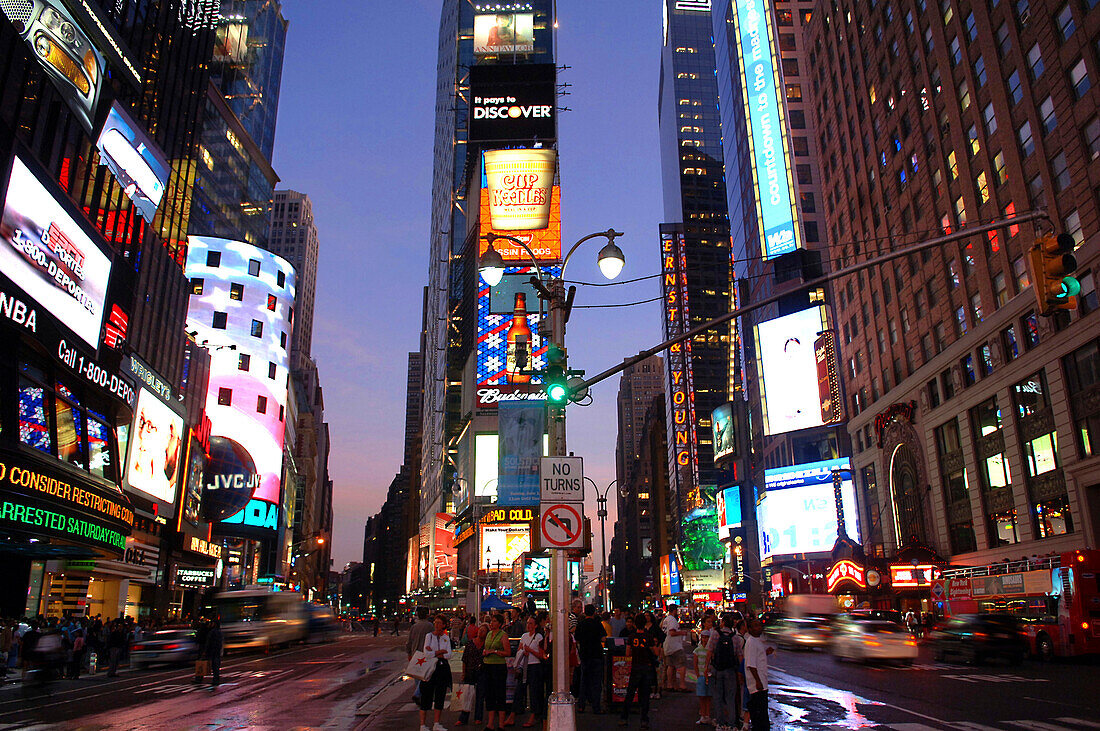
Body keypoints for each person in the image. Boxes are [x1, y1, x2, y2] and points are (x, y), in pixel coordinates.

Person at [619, 612, 658, 728]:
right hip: (646, 667)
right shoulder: (648, 637)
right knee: (645, 695)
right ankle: (644, 719)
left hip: (635, 667)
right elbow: (655, 652)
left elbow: (627, 653)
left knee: (630, 693)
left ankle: (624, 717)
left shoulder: (632, 637)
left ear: (635, 624)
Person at [418, 615, 453, 731]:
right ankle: (423, 724)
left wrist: (436, 652)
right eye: (435, 623)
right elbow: (426, 654)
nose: (437, 625)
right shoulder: (429, 636)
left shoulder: (446, 637)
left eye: (439, 623)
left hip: (442, 668)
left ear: (444, 625)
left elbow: (448, 654)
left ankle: (436, 723)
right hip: (430, 669)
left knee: (440, 695)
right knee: (426, 695)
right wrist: (440, 652)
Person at [709, 613, 743, 731]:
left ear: (722, 622)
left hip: (717, 669)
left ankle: (720, 723)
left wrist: (706, 669)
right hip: (730, 670)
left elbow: (710, 651)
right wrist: (741, 671)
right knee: (730, 697)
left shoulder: (715, 634)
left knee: (718, 697)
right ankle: (732, 724)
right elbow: (739, 655)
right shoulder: (736, 637)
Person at [575, 604, 607, 714]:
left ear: (585, 612)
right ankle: (596, 707)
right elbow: (603, 637)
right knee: (596, 682)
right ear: (594, 612)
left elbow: (577, 639)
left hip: (585, 655)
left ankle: (581, 705)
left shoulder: (581, 624)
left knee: (584, 681)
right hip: (596, 654)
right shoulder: (597, 624)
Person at [516, 616, 547, 727]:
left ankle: (534, 714)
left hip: (535, 666)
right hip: (525, 665)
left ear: (536, 625)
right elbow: (520, 649)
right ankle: (516, 712)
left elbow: (541, 655)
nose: (528, 625)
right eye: (527, 623)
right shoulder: (524, 636)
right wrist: (523, 652)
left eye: (530, 623)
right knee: (520, 689)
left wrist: (530, 651)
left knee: (534, 692)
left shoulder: (538, 637)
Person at [482, 614, 511, 731]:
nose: (492, 623)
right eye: (491, 621)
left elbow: (507, 652)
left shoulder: (503, 635)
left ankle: (501, 724)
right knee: (489, 694)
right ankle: (490, 723)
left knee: (499, 694)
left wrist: (494, 651)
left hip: (498, 667)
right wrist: (486, 652)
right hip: (487, 665)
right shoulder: (489, 634)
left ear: (499, 623)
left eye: (494, 621)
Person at [744, 619, 772, 731]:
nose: (759, 627)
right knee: (759, 716)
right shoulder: (751, 642)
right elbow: (751, 664)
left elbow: (757, 658)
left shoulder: (757, 641)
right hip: (757, 686)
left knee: (762, 714)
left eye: (759, 625)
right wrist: (758, 681)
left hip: (762, 683)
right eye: (755, 626)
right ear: (750, 629)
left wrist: (765, 653)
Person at [457, 622, 486, 727]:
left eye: (483, 631)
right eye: (480, 630)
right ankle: (463, 717)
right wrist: (463, 672)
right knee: (467, 695)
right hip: (470, 671)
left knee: (480, 696)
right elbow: (464, 659)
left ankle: (478, 717)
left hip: (482, 672)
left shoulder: (486, 644)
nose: (480, 632)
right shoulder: (470, 643)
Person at [660, 604, 690, 692]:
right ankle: (682, 685)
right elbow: (672, 632)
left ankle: (670, 685)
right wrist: (682, 632)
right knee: (682, 664)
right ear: (674, 610)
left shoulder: (665, 620)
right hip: (675, 646)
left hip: (667, 645)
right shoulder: (672, 620)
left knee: (670, 665)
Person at [695, 613, 716, 725]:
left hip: (709, 671)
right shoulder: (699, 648)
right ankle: (703, 714)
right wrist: (698, 674)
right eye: (708, 622)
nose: (709, 624)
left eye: (710, 622)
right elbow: (695, 661)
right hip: (702, 673)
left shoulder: (713, 633)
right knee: (702, 695)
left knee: (708, 695)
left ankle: (706, 714)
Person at [206, 617, 224, 687]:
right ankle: (216, 679)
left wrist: (206, 650)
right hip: (217, 651)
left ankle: (215, 679)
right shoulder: (220, 632)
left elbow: (209, 642)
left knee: (214, 665)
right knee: (216, 666)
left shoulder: (212, 632)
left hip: (213, 650)